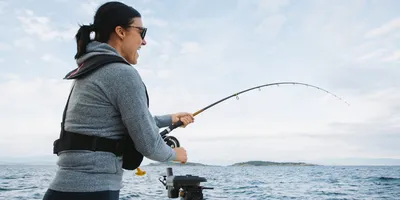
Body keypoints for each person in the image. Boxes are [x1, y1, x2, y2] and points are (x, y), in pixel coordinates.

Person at [42, 1, 194, 200]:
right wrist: (176, 155)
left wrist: (170, 119)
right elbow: (149, 144)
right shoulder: (121, 73)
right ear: (121, 32)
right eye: (142, 32)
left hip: (62, 191)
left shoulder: (92, 70)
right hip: (93, 193)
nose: (144, 41)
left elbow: (126, 121)